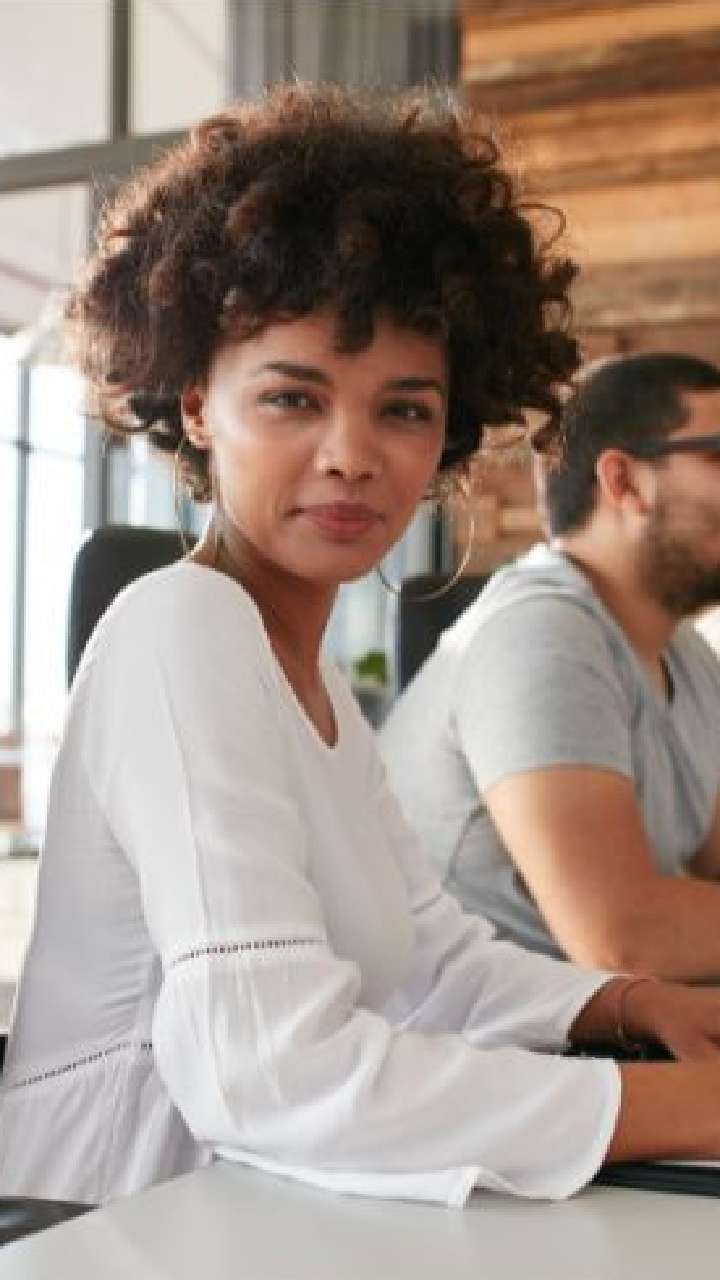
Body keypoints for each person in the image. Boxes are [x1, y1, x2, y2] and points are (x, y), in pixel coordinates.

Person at [3, 88, 720, 1211]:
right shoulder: (179, 629)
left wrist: (626, 1003)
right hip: (114, 1221)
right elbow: (271, 1072)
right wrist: (693, 1105)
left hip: (262, 1206)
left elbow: (430, 956)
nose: (353, 454)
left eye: (404, 409)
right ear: (199, 405)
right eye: (294, 398)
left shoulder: (313, 674)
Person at [380, 352, 720, 982]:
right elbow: (623, 938)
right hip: (470, 1031)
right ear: (624, 482)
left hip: (593, 1018)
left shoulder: (682, 652)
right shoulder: (539, 634)